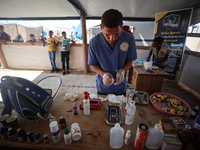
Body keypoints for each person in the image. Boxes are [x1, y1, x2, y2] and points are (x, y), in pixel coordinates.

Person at [88, 9, 137, 95]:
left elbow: (130, 60)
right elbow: (93, 64)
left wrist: (122, 71)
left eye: (116, 34)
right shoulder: (94, 42)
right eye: (107, 34)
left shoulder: (129, 39)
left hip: (120, 87)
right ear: (101, 27)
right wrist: (103, 75)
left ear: (121, 26)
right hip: (103, 86)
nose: (112, 39)